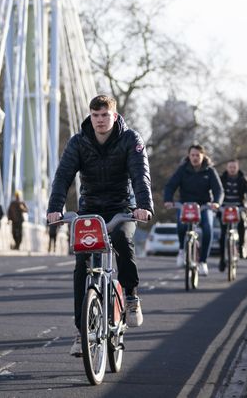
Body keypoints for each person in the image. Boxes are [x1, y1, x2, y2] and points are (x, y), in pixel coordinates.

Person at [47, 94, 153, 357]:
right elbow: (63, 176)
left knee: (122, 240)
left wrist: (144, 206)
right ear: (90, 117)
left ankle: (130, 296)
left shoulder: (131, 139)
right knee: (82, 264)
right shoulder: (79, 141)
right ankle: (81, 331)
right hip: (90, 209)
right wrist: (55, 208)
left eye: (105, 115)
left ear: (114, 116)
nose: (100, 120)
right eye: (95, 116)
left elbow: (141, 174)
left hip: (122, 208)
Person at [163, 144, 223, 277]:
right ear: (189, 156)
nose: (195, 158)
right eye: (192, 155)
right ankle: (181, 251)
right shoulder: (182, 170)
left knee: (208, 229)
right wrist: (168, 199)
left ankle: (202, 262)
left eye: (197, 155)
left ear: (203, 156)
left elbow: (218, 190)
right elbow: (170, 186)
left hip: (203, 206)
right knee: (181, 224)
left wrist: (216, 203)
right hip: (185, 205)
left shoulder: (210, 171)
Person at [217, 158, 247, 270]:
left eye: (234, 167)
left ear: (237, 168)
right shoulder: (221, 179)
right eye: (230, 167)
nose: (232, 169)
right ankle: (221, 259)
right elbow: (214, 190)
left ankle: (240, 246)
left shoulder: (243, 179)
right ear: (227, 168)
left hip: (239, 207)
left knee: (242, 224)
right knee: (223, 234)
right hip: (224, 208)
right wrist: (215, 204)